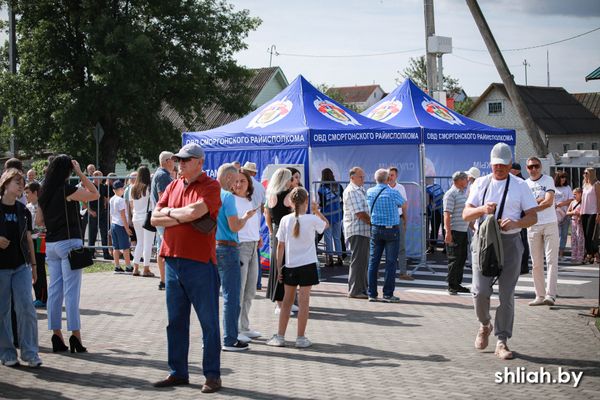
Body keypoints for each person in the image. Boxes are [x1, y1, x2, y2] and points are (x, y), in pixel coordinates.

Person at [151, 143, 223, 393]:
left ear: (200, 162)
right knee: (176, 322)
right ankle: (178, 372)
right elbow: (154, 217)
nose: (180, 163)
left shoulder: (211, 186)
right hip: (172, 261)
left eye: (185, 159)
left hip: (201, 263)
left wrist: (171, 214)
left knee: (209, 323)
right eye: (178, 159)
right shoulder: (172, 185)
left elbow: (198, 211)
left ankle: (212, 375)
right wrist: (179, 214)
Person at [463, 143, 537, 360]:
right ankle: (485, 324)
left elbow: (533, 216)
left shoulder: (521, 185)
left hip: (510, 242)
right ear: (490, 163)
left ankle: (502, 340)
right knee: (480, 291)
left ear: (510, 164)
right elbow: (467, 214)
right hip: (484, 242)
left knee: (506, 294)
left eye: (504, 165)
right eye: (496, 165)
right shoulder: (481, 184)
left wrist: (516, 223)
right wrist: (482, 210)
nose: (500, 169)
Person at [38, 155, 99, 354]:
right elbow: (94, 193)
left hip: (52, 243)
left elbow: (39, 221)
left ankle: (56, 335)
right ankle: (76, 336)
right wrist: (81, 173)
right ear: (67, 171)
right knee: (71, 293)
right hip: (69, 242)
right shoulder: (67, 190)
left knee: (55, 291)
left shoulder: (44, 193)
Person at [266, 187, 327, 348]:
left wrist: (279, 268)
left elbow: (280, 246)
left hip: (291, 265)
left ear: (291, 202)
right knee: (304, 302)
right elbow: (325, 225)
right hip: (308, 265)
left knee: (286, 302)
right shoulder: (312, 219)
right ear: (306, 202)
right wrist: (317, 211)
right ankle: (300, 337)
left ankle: (280, 336)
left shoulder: (285, 220)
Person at [0, 168, 42, 367]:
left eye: (22, 182)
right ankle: (7, 353)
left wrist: (33, 265)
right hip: (1, 268)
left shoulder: (23, 210)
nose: (21, 186)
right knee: (2, 311)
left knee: (26, 307)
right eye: (17, 182)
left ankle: (30, 352)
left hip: (21, 266)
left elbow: (27, 239)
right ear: (6, 184)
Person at [215, 163, 256, 351]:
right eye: (235, 179)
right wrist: (246, 218)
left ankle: (213, 337)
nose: (236, 184)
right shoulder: (227, 197)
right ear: (229, 178)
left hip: (213, 247)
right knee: (232, 296)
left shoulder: (209, 194)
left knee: (212, 297)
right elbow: (234, 227)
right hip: (229, 246)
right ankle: (230, 338)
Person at [366, 169, 405, 303]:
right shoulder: (393, 192)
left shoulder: (370, 192)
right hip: (391, 230)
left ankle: (372, 293)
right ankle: (388, 294)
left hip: (376, 229)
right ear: (388, 179)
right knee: (390, 262)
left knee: (373, 262)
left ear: (375, 179)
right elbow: (402, 203)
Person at [525, 157, 559, 306]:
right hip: (533, 225)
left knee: (551, 260)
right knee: (536, 263)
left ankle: (550, 295)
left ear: (540, 167)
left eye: (536, 166)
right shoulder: (524, 184)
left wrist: (533, 206)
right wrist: (538, 201)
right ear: (527, 169)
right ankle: (539, 295)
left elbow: (548, 201)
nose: (534, 169)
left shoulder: (548, 180)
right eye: (531, 167)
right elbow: (523, 205)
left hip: (550, 223)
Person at [232, 171, 262, 339]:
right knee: (239, 289)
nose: (239, 184)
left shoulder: (250, 200)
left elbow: (252, 221)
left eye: (242, 181)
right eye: (236, 181)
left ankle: (244, 326)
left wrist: (258, 237)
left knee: (250, 290)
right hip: (240, 246)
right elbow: (235, 223)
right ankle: (234, 329)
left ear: (249, 184)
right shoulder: (231, 200)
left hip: (253, 246)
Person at [265, 168, 293, 312]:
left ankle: (281, 302)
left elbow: (268, 216)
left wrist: (271, 231)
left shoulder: (271, 195)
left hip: (277, 232)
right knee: (285, 266)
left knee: (278, 265)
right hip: (286, 233)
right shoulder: (288, 196)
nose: (291, 182)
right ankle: (281, 303)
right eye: (290, 179)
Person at [342, 167, 370, 299]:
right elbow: (359, 213)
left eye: (363, 176)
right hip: (357, 229)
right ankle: (355, 290)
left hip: (363, 230)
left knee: (362, 261)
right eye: (360, 177)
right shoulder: (351, 191)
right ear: (352, 177)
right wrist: (372, 223)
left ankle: (362, 288)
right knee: (358, 261)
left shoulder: (360, 190)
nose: (363, 179)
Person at [443, 171, 470, 295]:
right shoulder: (451, 194)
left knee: (461, 258)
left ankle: (457, 283)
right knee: (454, 258)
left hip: (462, 230)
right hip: (454, 231)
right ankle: (452, 285)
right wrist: (448, 232)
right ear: (459, 180)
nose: (467, 181)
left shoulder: (462, 193)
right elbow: (447, 214)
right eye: (466, 179)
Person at [151, 151, 175, 290]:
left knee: (162, 248)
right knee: (165, 249)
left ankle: (164, 280)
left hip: (161, 217)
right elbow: (163, 198)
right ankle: (165, 280)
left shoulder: (160, 174)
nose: (175, 163)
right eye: (173, 160)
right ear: (167, 161)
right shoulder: (163, 176)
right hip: (164, 218)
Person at [240, 162, 266, 290]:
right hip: (255, 222)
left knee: (244, 256)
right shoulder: (260, 187)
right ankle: (257, 283)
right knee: (255, 255)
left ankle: (246, 284)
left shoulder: (240, 185)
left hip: (244, 223)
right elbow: (263, 206)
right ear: (254, 173)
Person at [25, 181, 48, 308]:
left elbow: (43, 225)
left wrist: (35, 231)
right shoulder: (27, 207)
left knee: (40, 268)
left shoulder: (42, 206)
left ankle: (43, 298)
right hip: (30, 241)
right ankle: (36, 295)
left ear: (35, 193)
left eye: (28, 193)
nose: (26, 195)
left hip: (40, 240)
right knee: (32, 268)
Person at [130, 166, 156, 277]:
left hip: (136, 216)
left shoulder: (133, 188)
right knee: (148, 244)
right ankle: (146, 268)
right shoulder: (148, 188)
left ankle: (135, 267)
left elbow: (131, 204)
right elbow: (152, 203)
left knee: (139, 243)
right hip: (147, 217)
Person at [388, 167, 411, 280]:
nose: (390, 177)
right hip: (386, 219)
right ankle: (378, 271)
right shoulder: (383, 187)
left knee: (401, 246)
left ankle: (403, 272)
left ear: (396, 176)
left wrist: (405, 220)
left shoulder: (400, 188)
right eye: (389, 175)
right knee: (383, 246)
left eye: (392, 175)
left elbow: (404, 205)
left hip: (399, 218)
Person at [318, 168, 343, 267]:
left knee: (328, 237)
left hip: (327, 216)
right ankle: (340, 258)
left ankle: (330, 259)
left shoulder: (321, 188)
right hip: (337, 214)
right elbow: (343, 197)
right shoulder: (338, 185)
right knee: (337, 237)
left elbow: (322, 204)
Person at [109, 180, 133, 274]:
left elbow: (111, 214)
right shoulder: (121, 200)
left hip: (114, 224)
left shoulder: (112, 199)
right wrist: (127, 228)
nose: (123, 190)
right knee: (126, 247)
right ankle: (128, 266)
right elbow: (123, 215)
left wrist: (111, 226)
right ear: (118, 189)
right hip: (121, 225)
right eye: (122, 188)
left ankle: (117, 266)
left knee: (116, 247)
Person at [88, 171, 111, 260]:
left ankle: (106, 253)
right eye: (97, 176)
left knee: (104, 233)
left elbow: (105, 197)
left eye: (100, 176)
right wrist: (90, 211)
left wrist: (105, 203)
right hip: (93, 212)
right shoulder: (90, 186)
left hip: (102, 212)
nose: (99, 178)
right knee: (92, 234)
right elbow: (84, 201)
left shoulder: (103, 187)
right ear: (93, 177)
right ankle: (91, 253)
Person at [580, 168, 600, 264]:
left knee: (589, 235)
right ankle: (594, 254)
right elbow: (583, 199)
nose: (584, 174)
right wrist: (580, 211)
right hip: (584, 212)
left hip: (593, 212)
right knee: (585, 235)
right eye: (584, 173)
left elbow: (599, 199)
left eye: (586, 173)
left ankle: (589, 254)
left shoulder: (596, 184)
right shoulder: (585, 184)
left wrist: (598, 213)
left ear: (591, 173)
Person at [553, 171, 573, 261]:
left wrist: (562, 204)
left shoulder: (567, 187)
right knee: (556, 235)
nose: (563, 179)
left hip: (566, 214)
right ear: (557, 178)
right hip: (555, 214)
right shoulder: (552, 187)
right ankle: (555, 254)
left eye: (565, 177)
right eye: (562, 177)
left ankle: (561, 254)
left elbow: (571, 199)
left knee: (564, 235)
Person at [426, 178, 444, 253]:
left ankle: (432, 247)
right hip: (443, 209)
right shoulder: (438, 186)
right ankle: (446, 247)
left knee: (434, 229)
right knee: (444, 229)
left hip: (435, 210)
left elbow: (426, 202)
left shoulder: (427, 190)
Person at [566, 188, 585, 264]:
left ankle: (580, 257)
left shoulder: (583, 202)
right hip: (573, 222)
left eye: (575, 194)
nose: (574, 196)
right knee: (573, 240)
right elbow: (567, 212)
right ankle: (574, 256)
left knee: (580, 240)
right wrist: (573, 212)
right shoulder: (572, 202)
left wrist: (580, 214)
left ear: (580, 194)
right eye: (573, 194)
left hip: (580, 222)